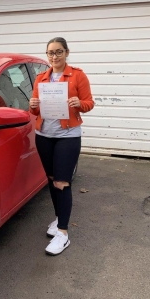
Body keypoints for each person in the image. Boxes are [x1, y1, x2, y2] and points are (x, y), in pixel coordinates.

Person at [29, 37, 94, 256]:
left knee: (62, 182)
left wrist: (79, 104)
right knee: (51, 179)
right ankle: (59, 219)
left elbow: (89, 103)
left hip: (68, 136)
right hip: (44, 136)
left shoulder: (77, 75)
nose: (54, 57)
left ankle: (63, 234)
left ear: (67, 52)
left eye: (58, 52)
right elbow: (36, 112)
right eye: (50, 53)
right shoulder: (41, 78)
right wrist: (32, 106)